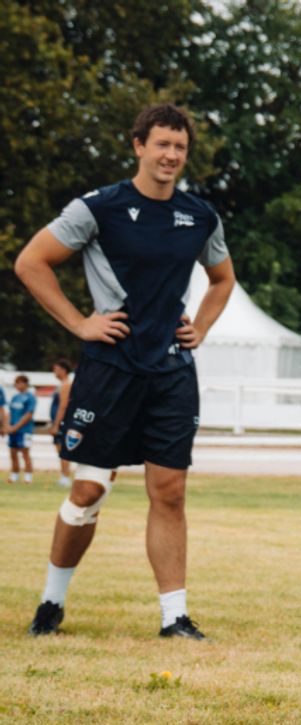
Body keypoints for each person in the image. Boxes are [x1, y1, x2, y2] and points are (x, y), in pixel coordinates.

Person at [14, 103, 236, 639]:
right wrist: (80, 323)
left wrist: (201, 328)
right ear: (139, 146)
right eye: (162, 144)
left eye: (180, 147)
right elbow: (30, 262)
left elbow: (223, 279)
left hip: (171, 373)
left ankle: (174, 617)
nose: (171, 155)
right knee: (88, 491)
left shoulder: (200, 216)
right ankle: (51, 603)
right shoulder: (98, 207)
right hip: (110, 370)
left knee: (170, 492)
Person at [49, 358, 75, 487]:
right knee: (59, 449)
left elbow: (63, 406)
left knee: (63, 449)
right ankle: (63, 475)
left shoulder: (66, 385)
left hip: (63, 423)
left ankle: (65, 476)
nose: (54, 372)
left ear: (63, 370)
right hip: (58, 421)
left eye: (56, 369)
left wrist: (56, 425)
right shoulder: (61, 385)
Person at [7, 375, 37, 484]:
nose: (17, 385)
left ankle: (28, 477)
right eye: (16, 383)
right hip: (13, 430)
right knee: (13, 452)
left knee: (25, 453)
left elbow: (28, 414)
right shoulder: (15, 397)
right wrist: (8, 426)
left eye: (19, 383)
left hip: (25, 430)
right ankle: (14, 475)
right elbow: (10, 413)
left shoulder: (30, 397)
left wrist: (16, 427)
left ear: (25, 384)